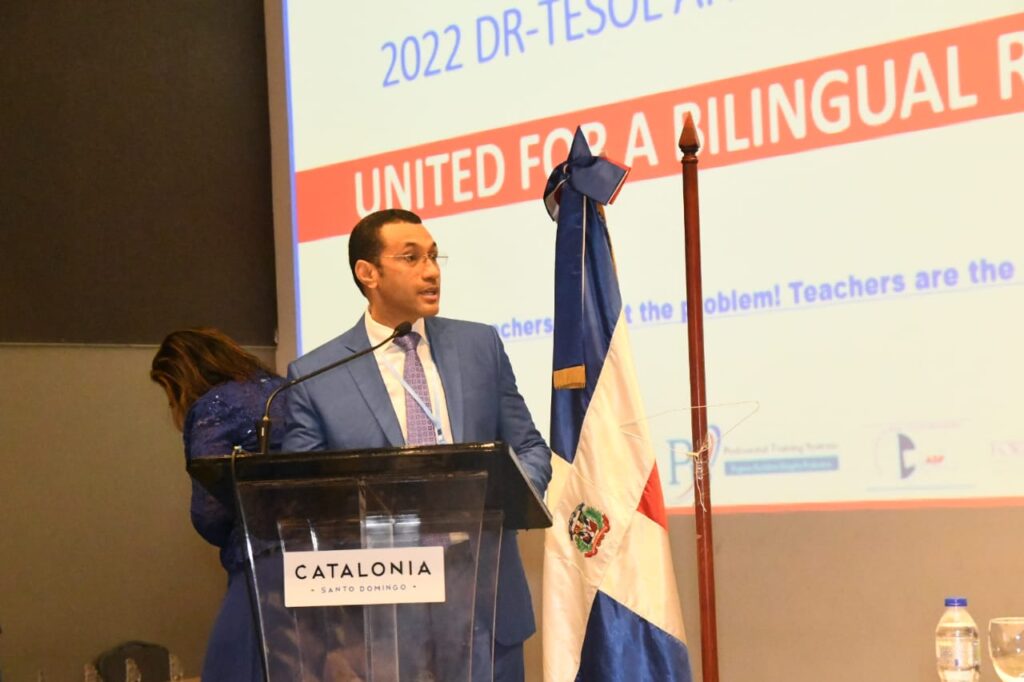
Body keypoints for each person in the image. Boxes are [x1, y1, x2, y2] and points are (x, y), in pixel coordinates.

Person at [283, 208, 552, 681]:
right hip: (382, 608)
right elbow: (304, 499)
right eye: (411, 258)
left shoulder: (480, 346)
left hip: (483, 593)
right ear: (367, 273)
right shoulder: (315, 377)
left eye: (433, 256)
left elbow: (529, 447)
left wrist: (498, 500)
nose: (431, 271)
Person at [150, 328, 286, 682]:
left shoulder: (213, 406)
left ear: (182, 379)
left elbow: (210, 509)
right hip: (318, 561)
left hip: (257, 563)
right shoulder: (286, 389)